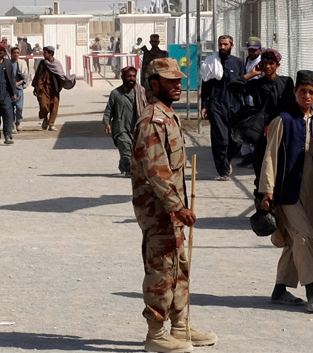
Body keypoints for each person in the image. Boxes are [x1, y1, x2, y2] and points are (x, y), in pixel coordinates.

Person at [130, 58, 218, 353]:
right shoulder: (152, 121)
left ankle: (180, 326)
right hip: (158, 210)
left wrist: (179, 206)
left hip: (172, 209)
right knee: (161, 269)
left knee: (179, 266)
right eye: (170, 81)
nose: (178, 85)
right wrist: (177, 205)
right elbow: (157, 170)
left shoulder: (169, 116)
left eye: (179, 80)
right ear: (154, 84)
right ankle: (155, 333)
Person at [257, 70, 313, 313]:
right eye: (302, 91)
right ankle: (312, 291)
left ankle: (280, 289)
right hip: (287, 191)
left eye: (311, 92)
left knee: (296, 240)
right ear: (295, 92)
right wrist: (266, 191)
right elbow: (270, 156)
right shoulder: (283, 120)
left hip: (312, 190)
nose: (307, 96)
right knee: (303, 236)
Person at [235, 49, 292, 175]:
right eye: (265, 63)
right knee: (261, 165)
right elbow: (232, 87)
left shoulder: (286, 82)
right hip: (262, 131)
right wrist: (251, 74)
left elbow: (292, 105)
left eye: (271, 63)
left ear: (277, 65)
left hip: (282, 129)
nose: (268, 66)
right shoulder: (257, 85)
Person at [199, 36, 247, 179]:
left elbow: (244, 83)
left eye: (225, 44)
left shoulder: (238, 63)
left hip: (235, 105)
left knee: (236, 140)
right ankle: (222, 169)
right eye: (220, 44)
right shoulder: (211, 62)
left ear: (231, 45)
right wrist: (204, 106)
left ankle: (227, 160)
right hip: (216, 105)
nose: (222, 47)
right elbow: (206, 85)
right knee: (220, 139)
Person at [103, 65, 139, 176]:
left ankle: (123, 165)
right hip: (120, 128)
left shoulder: (139, 93)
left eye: (133, 76)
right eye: (129, 76)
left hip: (136, 129)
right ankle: (128, 170)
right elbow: (109, 109)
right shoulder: (115, 93)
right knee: (126, 151)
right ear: (123, 77)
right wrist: (107, 123)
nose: (131, 78)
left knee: (134, 151)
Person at [33, 46, 75, 131]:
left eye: (45, 52)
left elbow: (61, 74)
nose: (43, 54)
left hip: (54, 88)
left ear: (50, 53)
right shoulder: (43, 63)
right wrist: (35, 87)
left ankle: (51, 124)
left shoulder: (56, 64)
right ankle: (45, 118)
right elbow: (37, 75)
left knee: (54, 106)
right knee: (43, 105)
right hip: (43, 88)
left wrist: (67, 81)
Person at [9, 45, 28, 126]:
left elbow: (26, 77)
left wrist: (19, 83)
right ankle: (12, 123)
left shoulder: (22, 63)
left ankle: (18, 122)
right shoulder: (8, 64)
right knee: (10, 107)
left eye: (17, 53)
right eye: (14, 53)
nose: (16, 54)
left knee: (19, 107)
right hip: (9, 89)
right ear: (11, 54)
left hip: (19, 89)